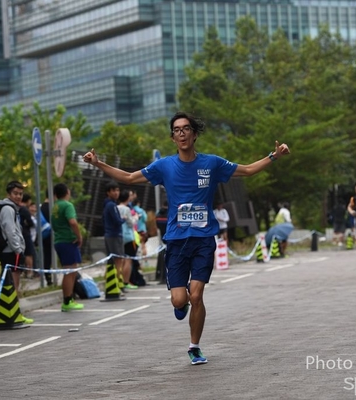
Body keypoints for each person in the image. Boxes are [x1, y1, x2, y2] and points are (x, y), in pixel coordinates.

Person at [83, 111, 290, 365]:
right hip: (177, 241)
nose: (181, 134)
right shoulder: (164, 166)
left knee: (197, 294)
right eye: (177, 130)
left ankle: (194, 346)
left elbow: (247, 170)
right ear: (173, 138)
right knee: (180, 299)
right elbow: (129, 177)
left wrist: (274, 156)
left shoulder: (211, 164)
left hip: (203, 239)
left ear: (194, 134)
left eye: (186, 129)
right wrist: (98, 163)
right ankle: (180, 305)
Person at [0, 181, 33, 323]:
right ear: (8, 194)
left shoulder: (10, 208)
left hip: (9, 250)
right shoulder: (8, 209)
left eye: (20, 194)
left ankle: (11, 314)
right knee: (13, 284)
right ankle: (15, 315)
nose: (18, 196)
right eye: (15, 193)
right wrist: (18, 249)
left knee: (10, 283)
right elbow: (10, 231)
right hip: (11, 251)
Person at [51, 183, 84, 311]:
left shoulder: (55, 207)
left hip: (59, 240)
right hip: (68, 241)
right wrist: (79, 236)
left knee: (69, 271)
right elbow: (72, 222)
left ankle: (69, 299)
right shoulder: (67, 205)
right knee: (70, 271)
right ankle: (67, 300)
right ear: (67, 192)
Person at [102, 181, 128, 296]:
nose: (116, 193)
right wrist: (124, 219)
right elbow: (117, 221)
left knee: (112, 261)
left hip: (109, 234)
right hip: (114, 235)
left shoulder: (108, 204)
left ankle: (111, 284)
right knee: (118, 260)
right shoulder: (111, 205)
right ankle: (117, 285)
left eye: (117, 190)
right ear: (108, 192)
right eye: (113, 190)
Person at [117, 189, 138, 290]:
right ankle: (126, 281)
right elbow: (131, 223)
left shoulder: (116, 208)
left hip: (119, 235)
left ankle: (119, 281)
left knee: (120, 260)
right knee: (128, 260)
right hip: (128, 236)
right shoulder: (126, 209)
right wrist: (136, 218)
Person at [19, 194, 36, 278]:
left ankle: (24, 271)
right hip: (26, 233)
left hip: (20, 233)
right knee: (29, 253)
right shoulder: (24, 209)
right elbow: (30, 222)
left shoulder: (17, 208)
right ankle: (29, 271)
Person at [40, 192, 53, 286]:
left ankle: (48, 278)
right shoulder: (52, 208)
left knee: (46, 256)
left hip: (43, 235)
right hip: (52, 234)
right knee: (49, 257)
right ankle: (49, 278)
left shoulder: (41, 207)